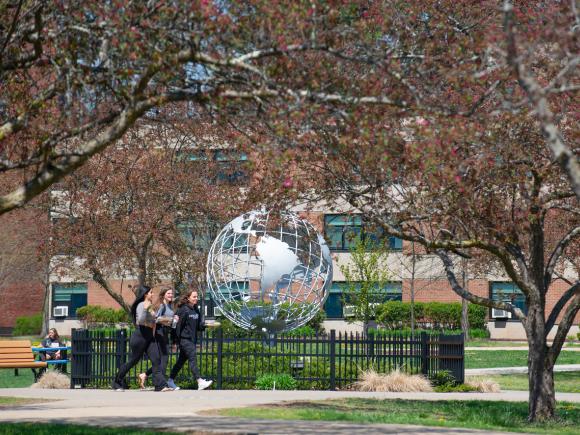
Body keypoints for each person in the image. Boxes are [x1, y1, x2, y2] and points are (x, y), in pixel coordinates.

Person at [112, 285, 172, 392]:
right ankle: (117, 382)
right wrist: (146, 309)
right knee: (133, 361)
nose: (153, 294)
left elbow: (154, 321)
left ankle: (160, 385)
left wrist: (164, 320)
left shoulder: (150, 306)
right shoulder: (141, 305)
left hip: (149, 336)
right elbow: (140, 320)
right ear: (145, 294)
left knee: (156, 360)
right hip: (140, 336)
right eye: (151, 293)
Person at [167, 289, 212, 390]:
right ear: (188, 298)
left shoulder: (195, 309)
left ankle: (170, 380)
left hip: (192, 339)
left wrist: (205, 325)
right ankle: (199, 381)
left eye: (197, 297)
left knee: (181, 361)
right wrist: (175, 340)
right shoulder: (183, 310)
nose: (196, 299)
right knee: (192, 358)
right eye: (194, 297)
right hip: (184, 339)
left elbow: (198, 326)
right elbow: (176, 326)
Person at [138, 287, 178, 389]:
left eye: (171, 294)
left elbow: (172, 325)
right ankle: (160, 384)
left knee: (161, 361)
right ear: (163, 294)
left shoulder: (171, 306)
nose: (171, 295)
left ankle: (145, 375)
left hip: (165, 333)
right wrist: (165, 320)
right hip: (159, 333)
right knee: (163, 360)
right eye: (168, 293)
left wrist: (174, 320)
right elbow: (155, 319)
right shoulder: (161, 306)